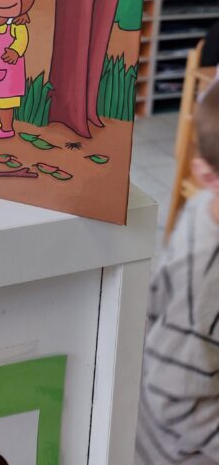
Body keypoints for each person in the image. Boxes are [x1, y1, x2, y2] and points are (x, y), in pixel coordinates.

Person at [136, 79, 219, 464]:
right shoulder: (208, 277)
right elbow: (173, 395)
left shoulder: (206, 202)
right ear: (207, 176)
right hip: (177, 450)